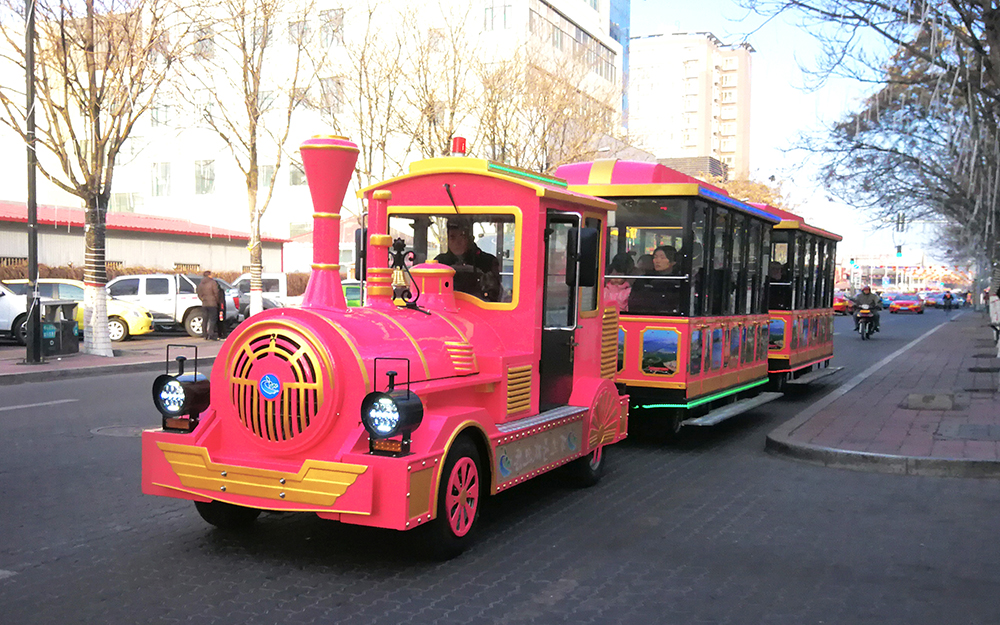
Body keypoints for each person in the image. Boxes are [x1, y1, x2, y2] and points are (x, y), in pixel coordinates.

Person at [434, 218, 501, 301]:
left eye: (462, 236)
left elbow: (494, 295)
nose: (457, 242)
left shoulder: (488, 262)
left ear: (470, 239)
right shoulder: (439, 263)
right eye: (452, 237)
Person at [629, 245, 681, 313]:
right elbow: (634, 302)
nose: (657, 261)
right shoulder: (645, 280)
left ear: (673, 261)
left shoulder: (679, 280)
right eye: (655, 257)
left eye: (662, 257)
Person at [197, 270, 220, 340]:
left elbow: (199, 294)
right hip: (212, 303)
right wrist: (217, 301)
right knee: (212, 319)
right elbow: (216, 292)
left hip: (205, 303)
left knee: (205, 319)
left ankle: (204, 334)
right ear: (209, 275)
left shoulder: (201, 284)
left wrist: (203, 299)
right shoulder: (213, 283)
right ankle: (211, 334)